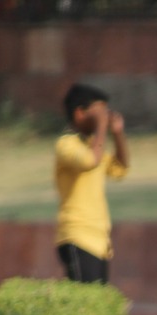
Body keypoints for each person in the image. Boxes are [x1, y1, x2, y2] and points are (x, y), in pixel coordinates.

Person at [54, 83, 128, 283]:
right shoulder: (66, 144)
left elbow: (121, 169)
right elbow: (89, 161)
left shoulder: (94, 148)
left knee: (96, 302)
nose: (103, 118)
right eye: (98, 113)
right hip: (77, 235)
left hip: (99, 241)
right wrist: (102, 127)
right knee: (84, 303)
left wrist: (118, 133)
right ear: (79, 113)